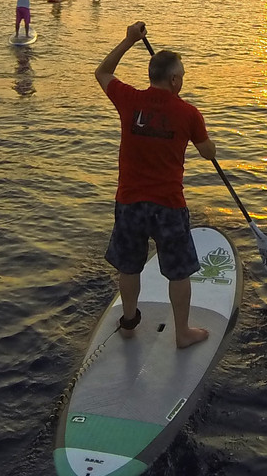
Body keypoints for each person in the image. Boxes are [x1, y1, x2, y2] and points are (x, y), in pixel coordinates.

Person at [95, 21, 216, 349]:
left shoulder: (128, 99)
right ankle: (183, 333)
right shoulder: (189, 113)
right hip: (168, 206)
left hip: (130, 202)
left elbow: (102, 72)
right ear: (174, 80)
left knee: (130, 265)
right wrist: (201, 137)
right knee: (178, 273)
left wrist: (128, 40)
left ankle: (130, 321)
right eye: (182, 76)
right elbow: (208, 154)